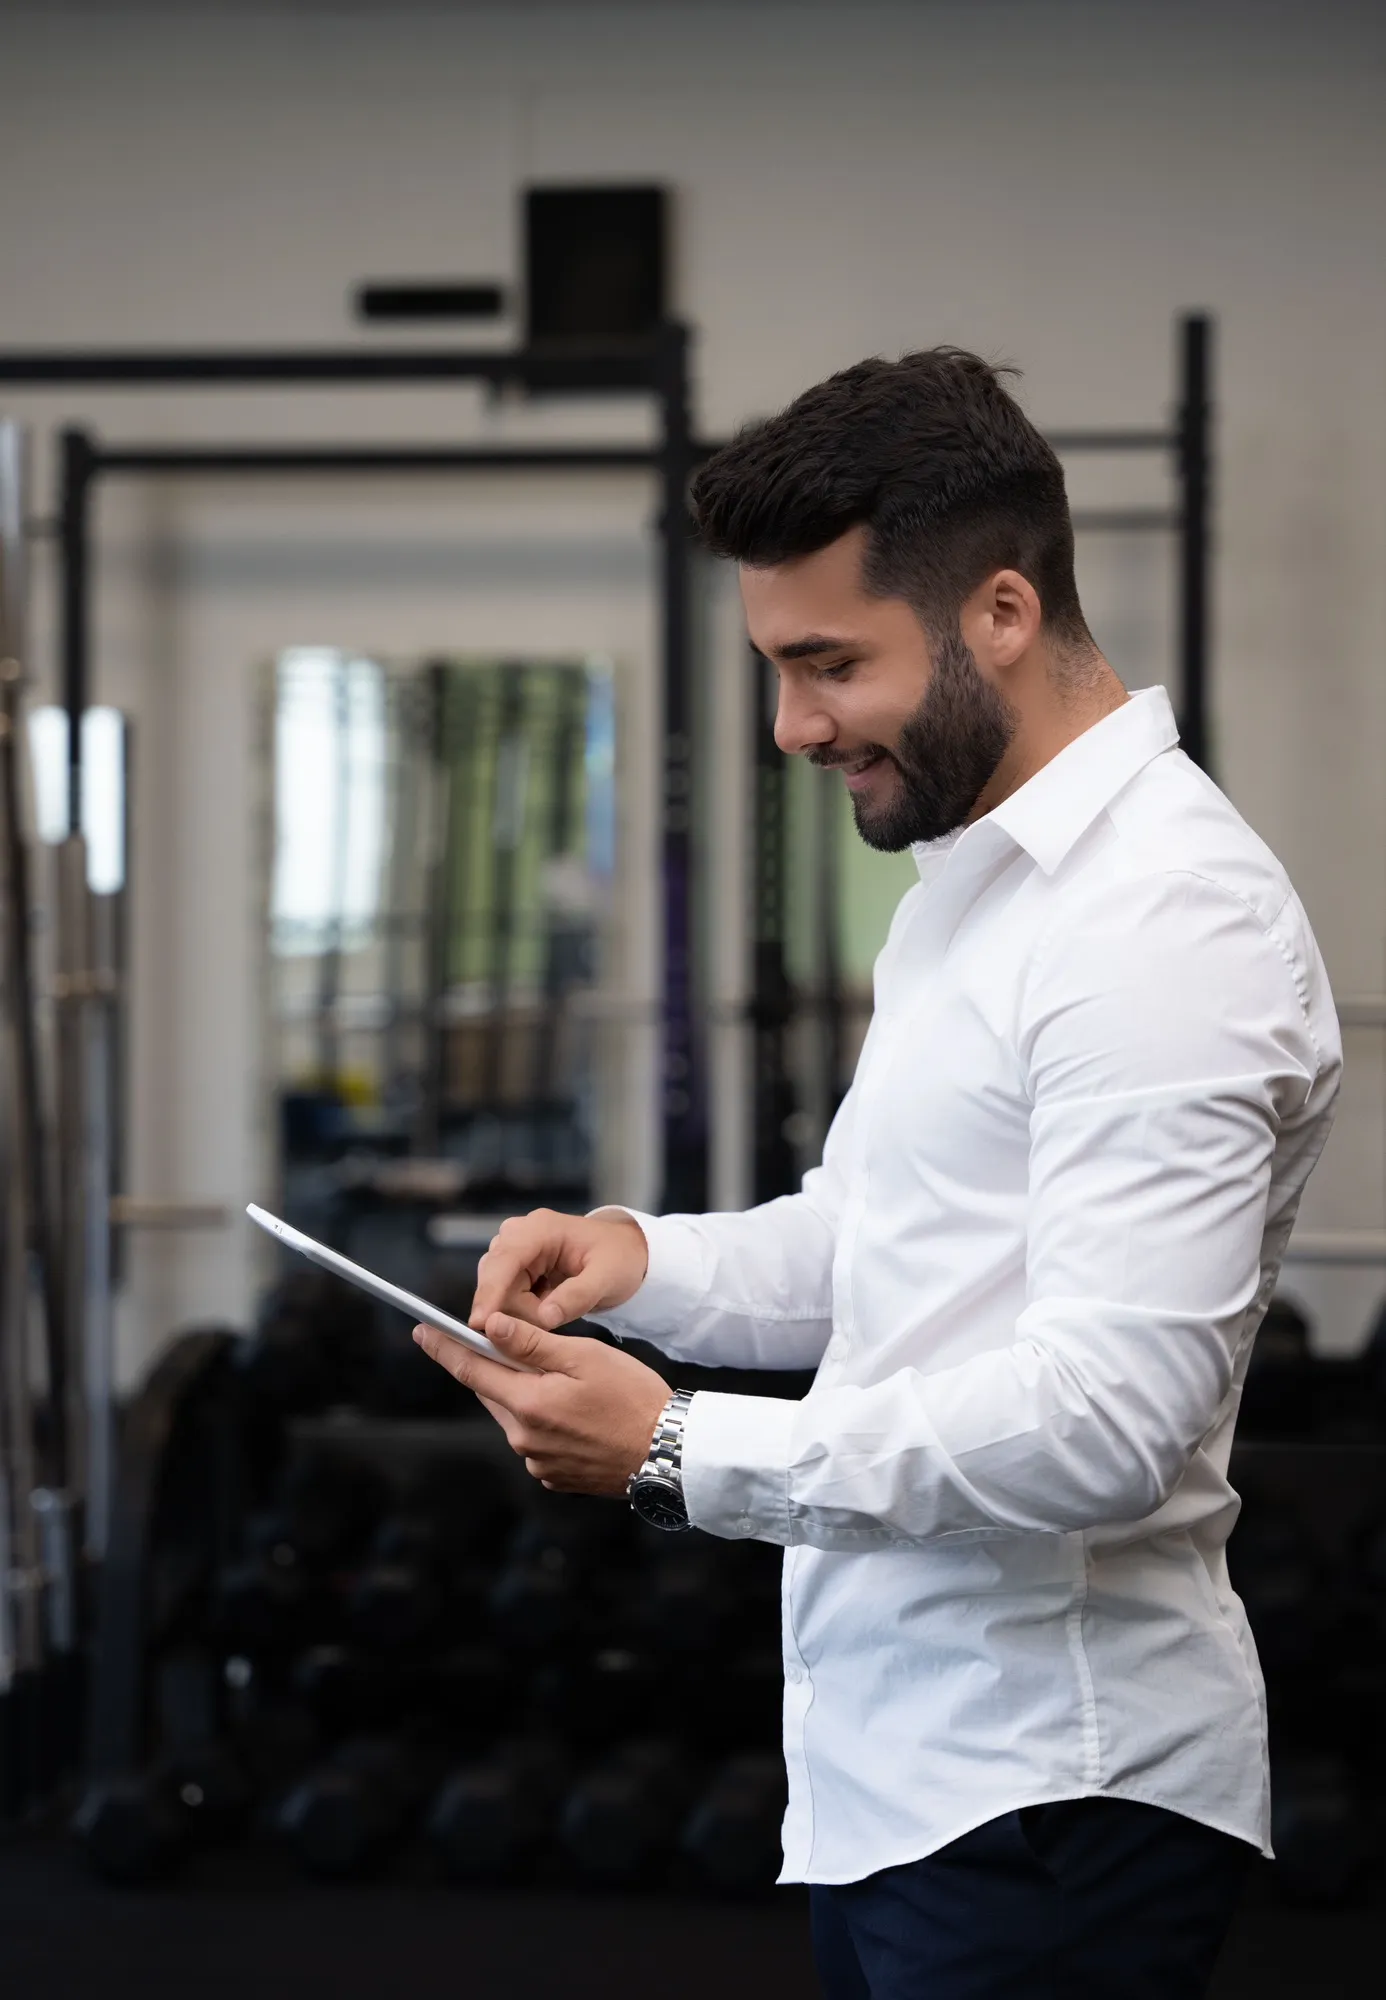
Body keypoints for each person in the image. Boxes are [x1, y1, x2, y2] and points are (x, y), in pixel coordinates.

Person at [413, 348, 1340, 1998]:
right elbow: (879, 1245)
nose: (790, 726)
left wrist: (678, 1449)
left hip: (1049, 1797)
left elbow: (1108, 1421)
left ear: (1000, 612)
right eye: (777, 668)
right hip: (900, 1779)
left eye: (828, 664)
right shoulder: (971, 892)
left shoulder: (1163, 922)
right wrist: (639, 1260)